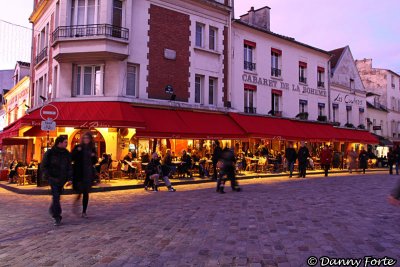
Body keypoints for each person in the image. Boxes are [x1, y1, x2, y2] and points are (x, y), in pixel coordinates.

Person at [41, 136, 73, 226]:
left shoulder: (67, 153)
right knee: (56, 196)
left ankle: (53, 209)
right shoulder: (50, 153)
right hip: (53, 178)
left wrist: (70, 178)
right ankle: (57, 216)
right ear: (59, 143)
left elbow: (69, 167)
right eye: (65, 142)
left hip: (62, 179)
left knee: (57, 197)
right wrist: (47, 175)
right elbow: (44, 165)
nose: (67, 144)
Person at [72, 132, 98, 218]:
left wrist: (93, 156)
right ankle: (77, 198)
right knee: (80, 190)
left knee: (86, 193)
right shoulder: (78, 147)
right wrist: (77, 151)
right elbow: (72, 157)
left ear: (90, 139)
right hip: (79, 173)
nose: (86, 139)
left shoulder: (92, 149)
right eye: (85, 138)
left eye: (88, 138)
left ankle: (84, 211)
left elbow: (95, 161)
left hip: (88, 173)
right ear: (82, 139)